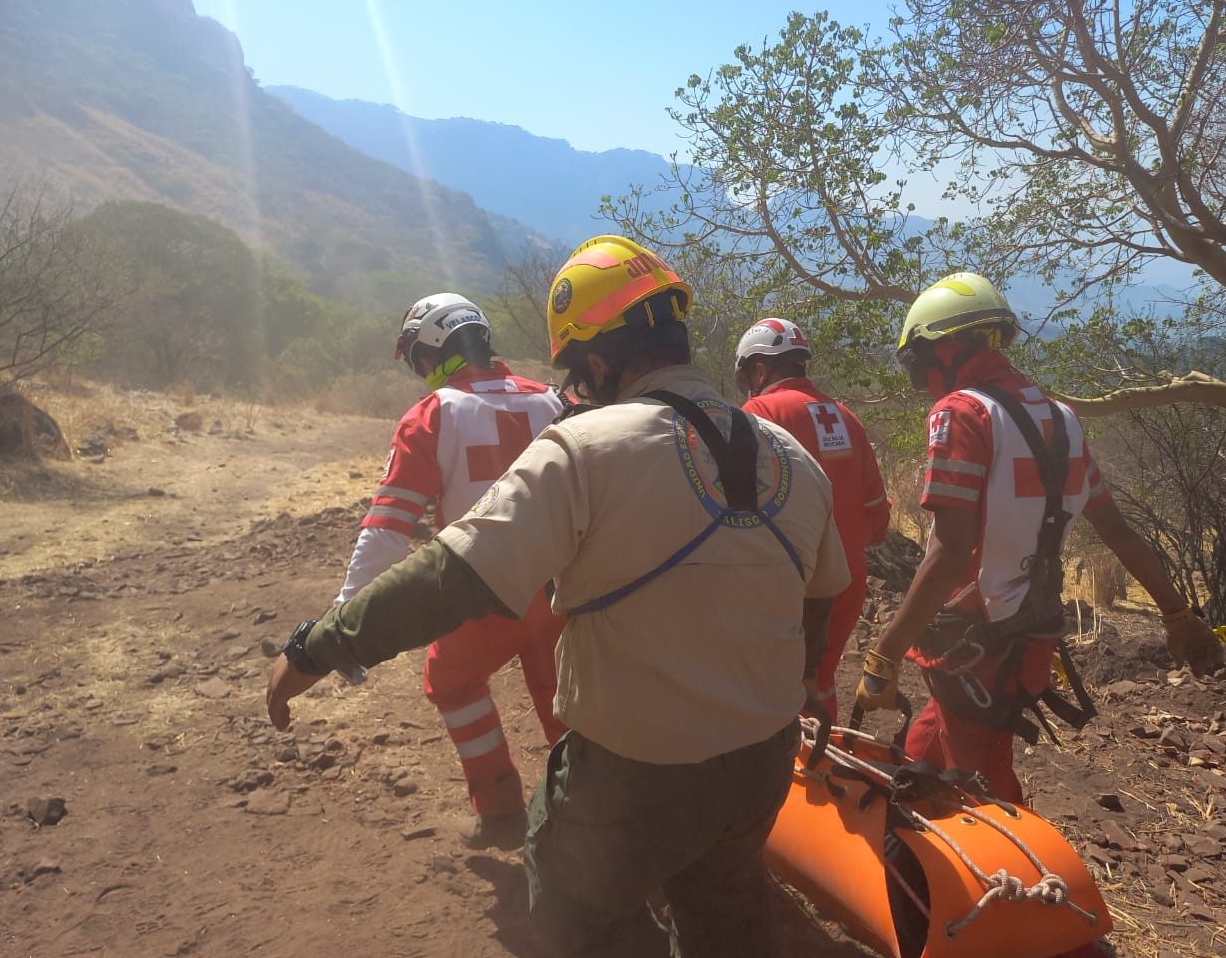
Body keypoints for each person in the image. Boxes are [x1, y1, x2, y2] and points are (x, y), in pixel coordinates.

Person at [267, 235, 850, 958]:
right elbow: (819, 604)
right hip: (764, 759)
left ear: (600, 360)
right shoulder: (794, 459)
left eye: (580, 366)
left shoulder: (583, 449)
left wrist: (315, 648)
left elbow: (448, 578)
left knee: (579, 913)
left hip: (638, 772)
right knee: (721, 910)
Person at [854, 272, 1226, 808]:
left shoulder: (961, 414)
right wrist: (1176, 613)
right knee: (930, 747)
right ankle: (909, 838)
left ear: (947, 348)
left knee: (984, 797)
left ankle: (1015, 885)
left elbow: (951, 550)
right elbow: (1116, 528)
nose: (922, 383)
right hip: (1030, 631)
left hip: (972, 639)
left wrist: (883, 654)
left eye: (917, 364)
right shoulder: (1063, 420)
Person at [335, 291, 566, 849]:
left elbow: (388, 528)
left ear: (431, 350)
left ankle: (499, 808)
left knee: (453, 682)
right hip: (562, 588)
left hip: (481, 589)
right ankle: (588, 812)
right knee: (566, 699)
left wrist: (348, 614)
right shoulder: (555, 400)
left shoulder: (434, 413)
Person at [736, 319, 891, 722]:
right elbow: (878, 517)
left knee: (770, 689)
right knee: (818, 683)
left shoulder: (760, 412)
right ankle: (824, 769)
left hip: (791, 581)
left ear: (759, 370)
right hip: (847, 578)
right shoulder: (846, 417)